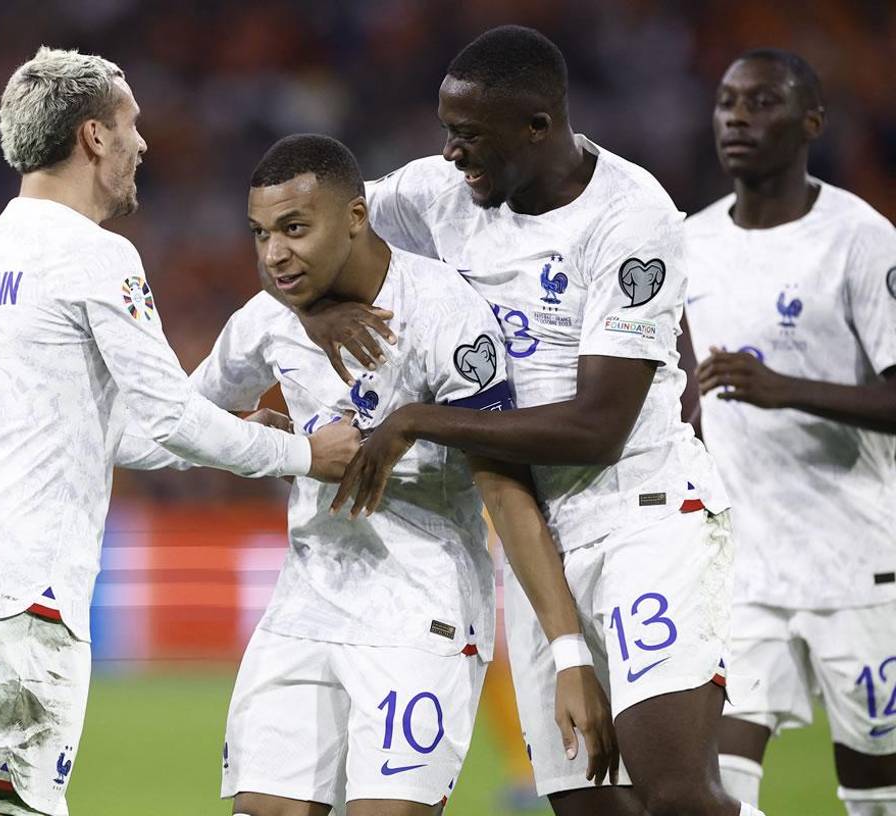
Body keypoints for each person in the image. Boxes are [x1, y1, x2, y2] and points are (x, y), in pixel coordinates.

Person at [294, 25, 756, 816]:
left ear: (537, 127)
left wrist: (419, 419)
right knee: (587, 806)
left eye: (469, 136)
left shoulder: (631, 218)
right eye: (446, 131)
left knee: (675, 789)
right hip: (532, 539)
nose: (450, 153)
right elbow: (302, 228)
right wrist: (316, 311)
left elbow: (596, 429)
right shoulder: (436, 197)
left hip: (643, 517)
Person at [0, 48, 361, 816]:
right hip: (23, 595)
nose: (142, 142)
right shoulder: (95, 253)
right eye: (130, 124)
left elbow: (122, 433)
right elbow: (173, 418)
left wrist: (240, 423)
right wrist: (304, 453)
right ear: (94, 138)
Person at [119, 133, 616, 815]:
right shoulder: (269, 321)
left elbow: (505, 487)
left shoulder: (445, 315)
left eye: (295, 228)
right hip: (305, 605)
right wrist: (248, 440)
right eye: (261, 234)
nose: (273, 254)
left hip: (422, 614)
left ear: (356, 216)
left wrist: (568, 655)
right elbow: (178, 422)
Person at [684, 49, 896, 815]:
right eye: (726, 101)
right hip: (744, 573)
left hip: (861, 567)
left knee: (877, 799)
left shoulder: (861, 241)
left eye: (763, 101)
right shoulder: (691, 242)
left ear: (812, 122)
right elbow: (687, 389)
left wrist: (784, 391)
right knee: (712, 791)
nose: (738, 116)